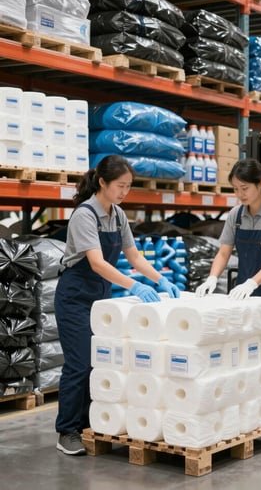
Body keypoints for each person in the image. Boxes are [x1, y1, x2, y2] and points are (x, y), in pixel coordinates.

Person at [55, 154, 179, 456]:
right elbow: (96, 263)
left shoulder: (118, 214)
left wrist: (159, 279)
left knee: (99, 361)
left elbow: (134, 256)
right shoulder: (85, 215)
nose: (124, 192)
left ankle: (89, 422)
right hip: (74, 296)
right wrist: (134, 285)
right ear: (102, 182)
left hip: (100, 296)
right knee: (79, 362)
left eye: (128, 187)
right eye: (120, 186)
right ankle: (66, 431)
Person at [196, 158, 261, 419]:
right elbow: (224, 252)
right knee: (245, 356)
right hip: (245, 297)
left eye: (244, 189)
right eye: (235, 189)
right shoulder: (236, 216)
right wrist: (211, 279)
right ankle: (250, 410)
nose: (239, 195)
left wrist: (252, 282)